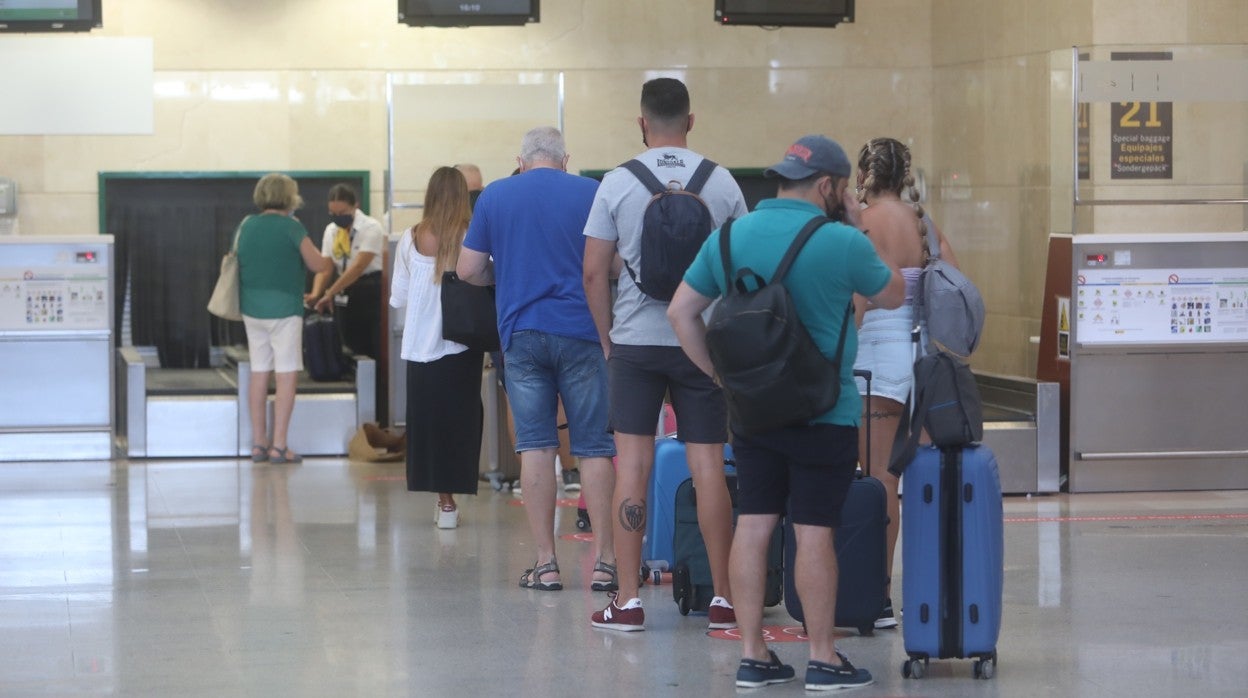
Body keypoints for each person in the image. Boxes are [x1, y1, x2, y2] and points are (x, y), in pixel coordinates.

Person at [668, 135, 904, 691]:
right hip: (825, 410)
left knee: (754, 523)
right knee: (815, 531)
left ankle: (753, 655)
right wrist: (855, 222)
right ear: (828, 186)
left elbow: (682, 313)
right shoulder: (842, 241)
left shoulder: (728, 237)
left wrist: (721, 378)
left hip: (753, 413)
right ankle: (822, 658)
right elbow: (893, 293)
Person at [583, 77, 747, 632]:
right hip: (700, 342)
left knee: (632, 465)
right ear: (691, 121)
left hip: (634, 345)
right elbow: (738, 268)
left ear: (642, 122)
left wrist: (608, 340)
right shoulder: (721, 183)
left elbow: (591, 272)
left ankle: (627, 601)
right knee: (709, 470)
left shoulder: (617, 184)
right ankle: (723, 597)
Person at [456, 126, 616, 591]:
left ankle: (546, 564)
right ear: (565, 159)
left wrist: (501, 275)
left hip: (521, 336)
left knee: (537, 447)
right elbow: (617, 264)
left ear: (520, 159)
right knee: (594, 448)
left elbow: (467, 269)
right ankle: (606, 561)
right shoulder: (592, 191)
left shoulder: (496, 196)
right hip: (584, 333)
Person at [851, 137, 962, 628]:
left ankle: (879, 597)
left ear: (862, 177)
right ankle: (927, 590)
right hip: (922, 362)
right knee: (915, 483)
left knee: (879, 485)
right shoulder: (924, 224)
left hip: (877, 360)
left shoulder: (865, 223)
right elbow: (957, 283)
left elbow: (855, 301)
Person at [388, 166, 482, 529]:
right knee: (460, 422)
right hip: (462, 344)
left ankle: (445, 503)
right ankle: (457, 492)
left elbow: (398, 298)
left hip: (420, 348)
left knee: (430, 424)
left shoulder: (410, 239)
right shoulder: (472, 235)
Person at [237, 173, 332, 464]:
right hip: (284, 311)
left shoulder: (246, 225)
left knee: (258, 373)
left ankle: (258, 444)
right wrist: (332, 258)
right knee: (286, 373)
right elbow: (317, 263)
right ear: (290, 197)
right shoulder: (292, 227)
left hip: (251, 308)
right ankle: (279, 446)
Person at [306, 183, 386, 364]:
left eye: (342, 213)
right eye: (333, 213)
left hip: (369, 287)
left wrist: (329, 293)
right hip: (343, 288)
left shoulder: (371, 227)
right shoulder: (331, 230)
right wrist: (316, 293)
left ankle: (374, 388)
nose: (337, 218)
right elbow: (326, 268)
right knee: (348, 341)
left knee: (370, 343)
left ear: (355, 206)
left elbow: (357, 268)